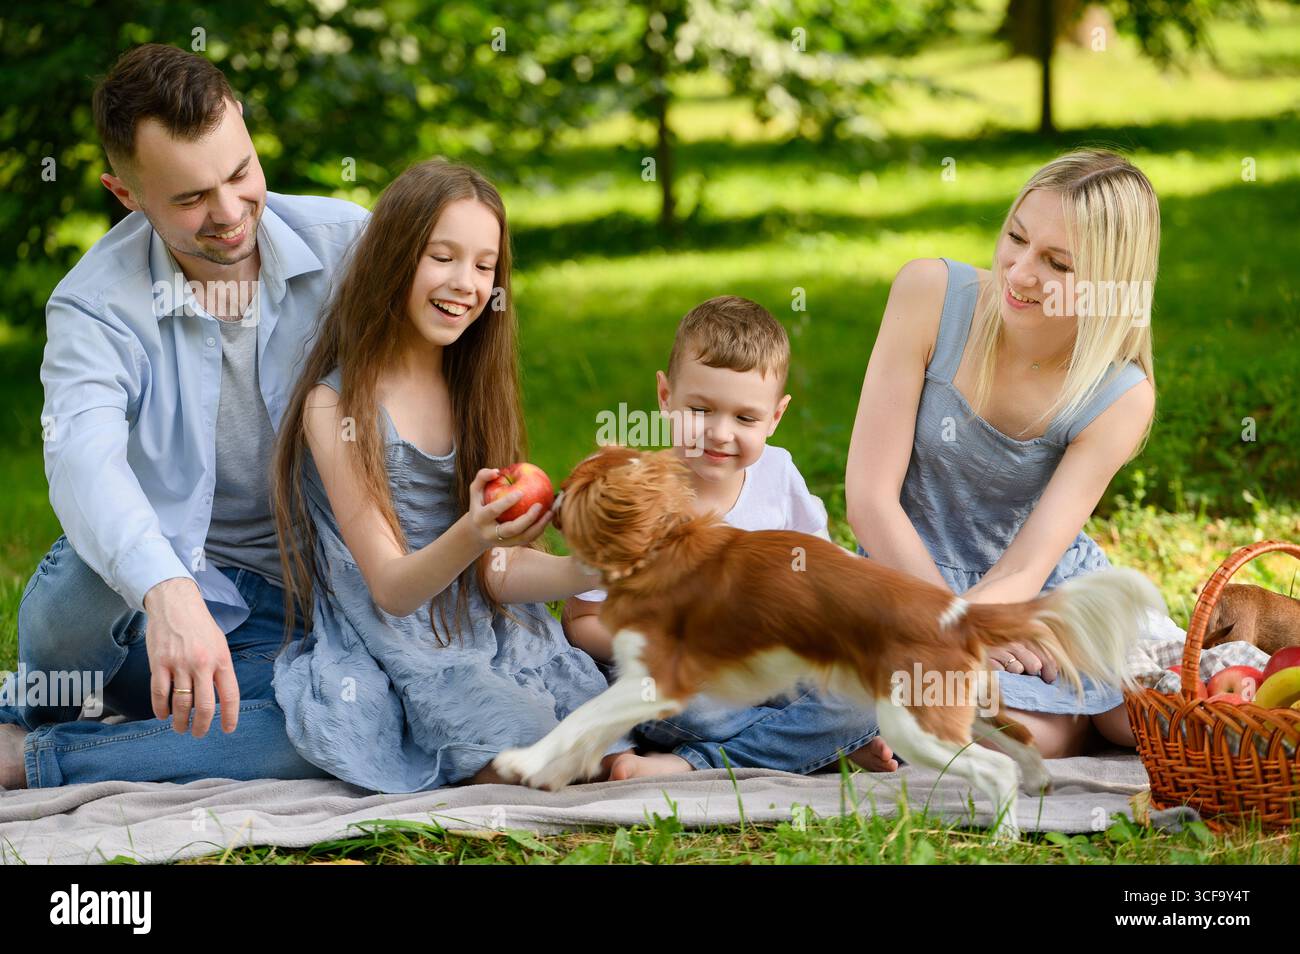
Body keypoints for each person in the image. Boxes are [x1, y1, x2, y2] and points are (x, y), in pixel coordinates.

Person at [0, 44, 367, 787]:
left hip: (289, 619)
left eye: (240, 174)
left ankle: (43, 752)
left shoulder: (348, 247)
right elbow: (81, 461)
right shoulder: (94, 302)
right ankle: (103, 708)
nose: (230, 214)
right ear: (126, 194)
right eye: (191, 198)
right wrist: (167, 589)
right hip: (126, 622)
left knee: (352, 721)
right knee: (91, 573)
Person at [269, 159, 637, 791]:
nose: (465, 282)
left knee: (602, 720)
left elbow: (496, 575)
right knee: (519, 736)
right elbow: (391, 589)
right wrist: (473, 531)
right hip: (399, 642)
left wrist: (592, 571)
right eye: (442, 256)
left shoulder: (473, 389)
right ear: (393, 257)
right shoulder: (335, 408)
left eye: (484, 265)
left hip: (492, 632)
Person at [845, 149, 1183, 762]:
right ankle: (1075, 710)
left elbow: (1028, 568)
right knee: (945, 703)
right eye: (1016, 238)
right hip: (905, 570)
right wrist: (953, 624)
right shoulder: (929, 295)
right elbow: (869, 499)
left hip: (1029, 595)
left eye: (1057, 263)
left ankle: (1086, 710)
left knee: (1097, 727)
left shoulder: (1118, 396)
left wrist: (981, 626)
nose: (1020, 273)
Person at [563, 296, 890, 780]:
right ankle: (803, 744)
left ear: (775, 417)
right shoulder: (632, 496)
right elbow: (581, 620)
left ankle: (802, 741)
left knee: (867, 693)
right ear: (664, 396)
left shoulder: (778, 473)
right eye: (700, 409)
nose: (719, 433)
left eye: (745, 419)